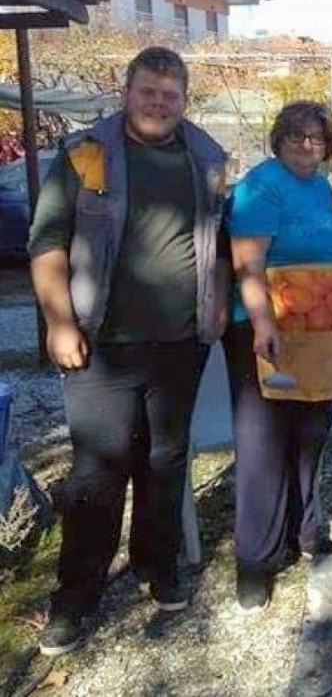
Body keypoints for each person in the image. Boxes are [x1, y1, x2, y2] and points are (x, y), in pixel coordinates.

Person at [28, 46, 230, 655]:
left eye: (170, 95)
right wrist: (59, 321)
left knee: (167, 459)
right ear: (127, 91)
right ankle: (77, 594)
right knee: (99, 468)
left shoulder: (206, 157)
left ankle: (154, 563)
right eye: (149, 91)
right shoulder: (85, 154)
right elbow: (48, 243)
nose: (159, 103)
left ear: (184, 100)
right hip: (101, 343)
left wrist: (217, 300)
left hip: (180, 343)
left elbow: (216, 241)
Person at [224, 101, 332, 612]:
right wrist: (262, 324)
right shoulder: (261, 185)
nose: (308, 145)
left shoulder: (320, 188)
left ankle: (304, 534)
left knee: (310, 439)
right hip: (272, 334)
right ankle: (255, 563)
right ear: (277, 138)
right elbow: (248, 262)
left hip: (323, 339)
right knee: (264, 448)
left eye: (317, 138)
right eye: (297, 136)